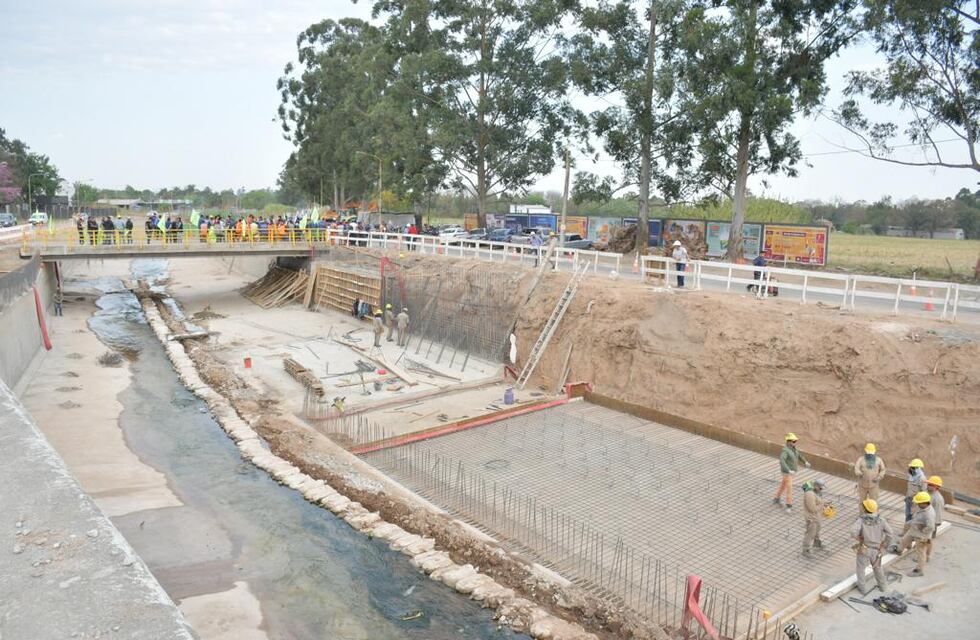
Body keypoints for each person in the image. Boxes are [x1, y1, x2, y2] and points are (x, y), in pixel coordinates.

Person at [852, 499, 894, 595]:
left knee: (861, 568)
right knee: (877, 567)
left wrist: (860, 539)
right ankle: (883, 586)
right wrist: (884, 544)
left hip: (865, 548)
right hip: (877, 549)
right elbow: (890, 534)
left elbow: (853, 531)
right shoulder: (881, 520)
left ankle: (862, 588)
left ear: (865, 509)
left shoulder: (861, 520)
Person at [894, 491, 935, 576]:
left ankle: (919, 570)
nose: (917, 504)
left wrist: (922, 530)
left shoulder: (929, 514)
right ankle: (899, 550)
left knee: (921, 552)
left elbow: (931, 527)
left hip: (922, 536)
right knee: (904, 540)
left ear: (924, 503)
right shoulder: (922, 508)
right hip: (914, 530)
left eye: (919, 503)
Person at [773, 432, 810, 512]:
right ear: (788, 441)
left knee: (783, 485)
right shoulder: (786, 451)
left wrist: (805, 462)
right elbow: (782, 461)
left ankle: (777, 498)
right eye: (793, 441)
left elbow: (799, 456)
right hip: (787, 473)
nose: (795, 442)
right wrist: (788, 470)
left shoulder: (793, 449)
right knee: (790, 488)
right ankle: (789, 505)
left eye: (795, 441)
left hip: (791, 472)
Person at [802, 479, 827, 558]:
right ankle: (806, 550)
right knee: (810, 533)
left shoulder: (816, 492)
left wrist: (824, 504)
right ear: (816, 486)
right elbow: (812, 508)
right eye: (820, 488)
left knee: (818, 529)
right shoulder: (809, 495)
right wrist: (822, 505)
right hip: (811, 517)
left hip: (817, 515)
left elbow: (818, 502)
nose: (821, 489)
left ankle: (816, 543)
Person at [926, 476, 944, 561]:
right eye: (928, 484)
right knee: (922, 538)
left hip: (931, 523)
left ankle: (927, 556)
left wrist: (933, 526)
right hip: (925, 521)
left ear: (937, 487)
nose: (928, 486)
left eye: (931, 485)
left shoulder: (938, 499)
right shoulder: (928, 493)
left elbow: (938, 514)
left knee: (928, 540)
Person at [904, 459, 927, 526]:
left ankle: (910, 531)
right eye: (911, 467)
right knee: (907, 514)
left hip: (915, 501)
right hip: (909, 499)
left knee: (913, 516)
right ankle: (905, 529)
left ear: (918, 469)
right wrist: (906, 497)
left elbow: (923, 492)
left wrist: (918, 502)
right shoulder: (911, 476)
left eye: (913, 468)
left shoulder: (922, 479)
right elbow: (909, 489)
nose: (911, 469)